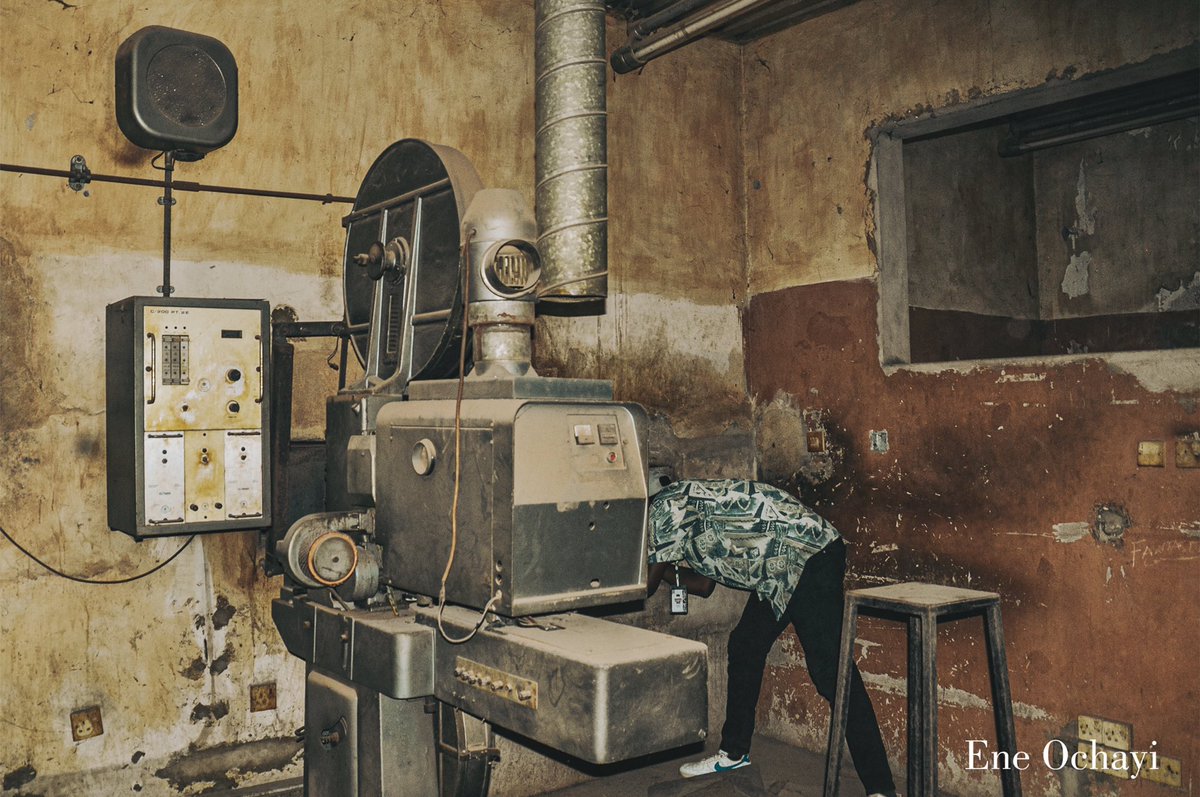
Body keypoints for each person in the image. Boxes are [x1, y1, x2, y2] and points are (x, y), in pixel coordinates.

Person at [647, 476, 896, 796]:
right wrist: (666, 563)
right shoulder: (686, 503)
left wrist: (647, 564)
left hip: (806, 556)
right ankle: (734, 753)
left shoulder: (662, 508)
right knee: (745, 646)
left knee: (832, 674)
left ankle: (882, 789)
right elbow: (703, 586)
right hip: (779, 565)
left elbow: (646, 584)